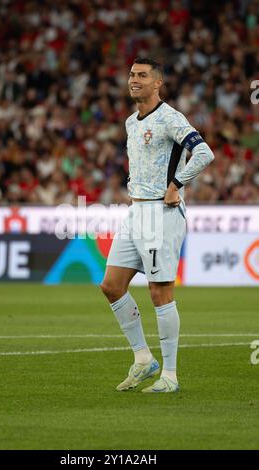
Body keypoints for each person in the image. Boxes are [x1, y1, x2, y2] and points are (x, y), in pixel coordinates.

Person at [100, 57, 215, 393]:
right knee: (111, 286)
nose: (134, 79)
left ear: (157, 83)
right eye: (132, 74)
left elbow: (204, 152)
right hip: (136, 212)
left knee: (160, 292)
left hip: (160, 215)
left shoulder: (170, 118)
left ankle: (170, 375)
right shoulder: (130, 122)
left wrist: (176, 184)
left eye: (142, 75)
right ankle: (142, 358)